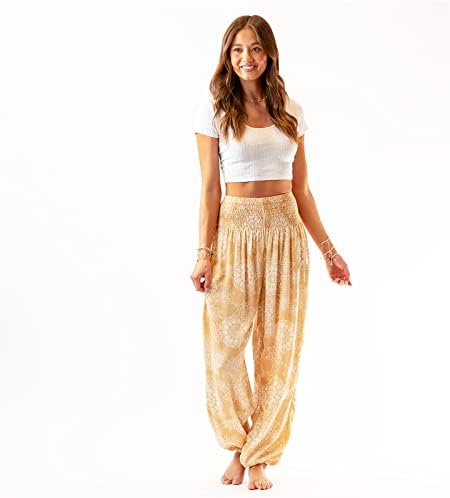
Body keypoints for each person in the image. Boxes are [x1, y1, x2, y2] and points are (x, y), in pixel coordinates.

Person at [190, 14, 352, 491]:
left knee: (278, 349)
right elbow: (209, 189)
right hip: (235, 232)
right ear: (227, 56)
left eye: (255, 48)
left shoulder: (291, 111)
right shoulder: (214, 111)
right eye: (238, 49)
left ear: (270, 54)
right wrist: (204, 252)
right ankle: (238, 442)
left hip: (285, 232)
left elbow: (302, 190)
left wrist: (329, 252)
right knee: (224, 349)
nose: (247, 58)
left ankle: (259, 455)